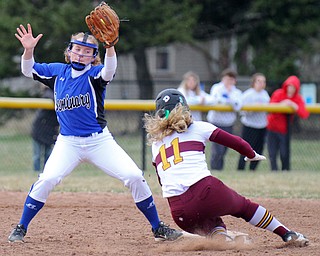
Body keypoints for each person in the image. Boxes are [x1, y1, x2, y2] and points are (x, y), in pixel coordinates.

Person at [9, 23, 182, 243]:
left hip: (99, 142)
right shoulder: (57, 72)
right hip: (68, 143)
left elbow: (109, 71)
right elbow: (28, 69)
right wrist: (28, 50)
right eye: (77, 49)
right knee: (48, 178)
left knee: (134, 176)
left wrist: (110, 47)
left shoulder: (94, 75)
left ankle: (158, 228)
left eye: (87, 51)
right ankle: (21, 227)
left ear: (93, 57)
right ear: (69, 51)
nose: (81, 54)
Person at [143, 88, 309, 247]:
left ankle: (221, 239)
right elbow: (236, 142)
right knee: (245, 207)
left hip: (178, 211)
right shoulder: (198, 127)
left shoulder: (156, 144)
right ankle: (286, 233)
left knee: (213, 223)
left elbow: (161, 179)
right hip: (204, 190)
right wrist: (251, 155)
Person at [267, 75, 309, 171]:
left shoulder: (297, 98)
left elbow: (304, 114)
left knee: (284, 152)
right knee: (272, 153)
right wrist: (283, 103)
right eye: (289, 86)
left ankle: (285, 170)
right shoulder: (278, 93)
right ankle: (274, 171)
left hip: (284, 130)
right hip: (272, 128)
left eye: (293, 87)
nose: (291, 89)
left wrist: (294, 106)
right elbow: (270, 108)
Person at [207, 68, 242, 170]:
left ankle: (219, 169)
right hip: (216, 122)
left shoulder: (236, 92)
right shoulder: (216, 88)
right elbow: (215, 100)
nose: (228, 82)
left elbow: (237, 106)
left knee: (224, 149)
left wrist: (229, 98)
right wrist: (229, 101)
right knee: (217, 149)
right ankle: (215, 169)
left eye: (231, 79)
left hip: (228, 123)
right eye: (226, 79)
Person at [237, 73, 270, 171]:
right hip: (250, 125)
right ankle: (241, 169)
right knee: (245, 149)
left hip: (262, 125)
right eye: (259, 81)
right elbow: (241, 110)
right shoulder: (248, 94)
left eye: (263, 81)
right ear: (254, 82)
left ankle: (253, 169)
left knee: (259, 149)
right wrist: (252, 108)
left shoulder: (265, 94)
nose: (261, 83)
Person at [31, 86, 59, 172]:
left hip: (50, 130)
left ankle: (47, 172)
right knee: (37, 155)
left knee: (48, 154)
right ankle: (36, 172)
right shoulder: (48, 93)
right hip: (39, 130)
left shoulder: (59, 91)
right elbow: (51, 98)